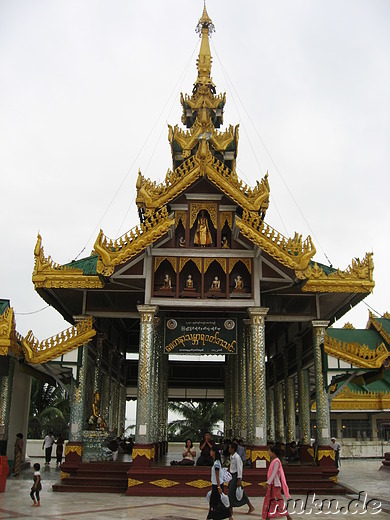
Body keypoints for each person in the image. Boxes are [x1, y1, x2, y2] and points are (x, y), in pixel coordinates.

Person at [262, 446, 292, 519]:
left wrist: (268, 483)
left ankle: (287, 515)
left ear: (273, 453)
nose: (269, 453)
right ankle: (268, 516)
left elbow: (274, 473)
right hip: (272, 484)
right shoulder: (274, 461)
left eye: (270, 451)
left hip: (275, 484)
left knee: (278, 500)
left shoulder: (276, 462)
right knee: (270, 499)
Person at [207, 444, 232, 520]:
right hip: (217, 485)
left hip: (217, 486)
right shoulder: (217, 462)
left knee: (215, 504)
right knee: (218, 504)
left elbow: (217, 475)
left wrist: (218, 487)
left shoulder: (216, 463)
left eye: (211, 451)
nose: (210, 452)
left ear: (214, 452)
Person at [228, 442, 255, 514]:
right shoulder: (231, 456)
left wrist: (239, 479)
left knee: (230, 491)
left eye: (230, 448)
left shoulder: (237, 457)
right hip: (232, 475)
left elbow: (240, 468)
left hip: (236, 476)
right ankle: (250, 506)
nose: (229, 449)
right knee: (240, 491)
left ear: (233, 449)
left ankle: (230, 509)